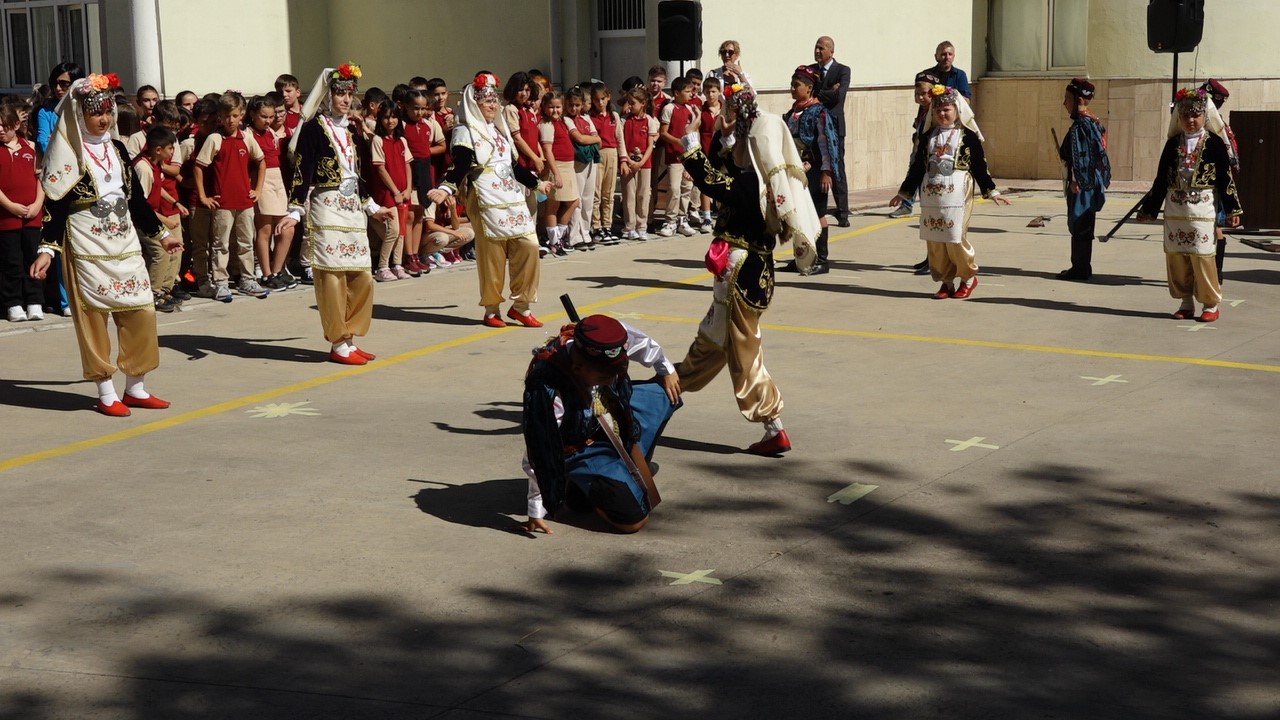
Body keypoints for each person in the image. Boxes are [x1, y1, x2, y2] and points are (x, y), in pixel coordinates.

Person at [675, 81, 821, 455]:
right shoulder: (759, 177)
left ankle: (773, 425)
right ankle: (668, 387)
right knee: (713, 339)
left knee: (743, 352)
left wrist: (688, 142)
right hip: (748, 272)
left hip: (741, 273)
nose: (732, 145)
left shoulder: (751, 184)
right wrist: (723, 136)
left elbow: (712, 181)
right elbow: (723, 163)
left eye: (739, 139)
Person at [30, 73, 181, 415]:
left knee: (142, 309)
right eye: (95, 112)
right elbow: (55, 204)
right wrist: (46, 249)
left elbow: (137, 200)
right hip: (85, 239)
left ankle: (136, 386)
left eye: (108, 111)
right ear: (78, 115)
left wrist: (161, 234)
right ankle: (106, 391)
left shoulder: (117, 149)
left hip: (124, 239)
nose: (103, 119)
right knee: (94, 317)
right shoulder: (67, 152)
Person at [277, 63, 395, 364]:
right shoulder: (315, 129)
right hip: (326, 207)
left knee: (362, 276)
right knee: (332, 276)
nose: (345, 99)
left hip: (353, 208)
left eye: (349, 93)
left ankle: (350, 336)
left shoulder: (355, 131)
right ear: (328, 96)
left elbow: (358, 175)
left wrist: (372, 207)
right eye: (339, 93)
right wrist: (294, 209)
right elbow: (302, 170)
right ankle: (338, 342)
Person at [522, 313, 681, 534]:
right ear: (578, 369)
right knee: (633, 521)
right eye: (603, 379)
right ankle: (578, 484)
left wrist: (667, 370)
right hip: (581, 447)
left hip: (614, 415)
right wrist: (536, 508)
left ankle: (624, 470)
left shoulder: (613, 342)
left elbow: (644, 344)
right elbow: (540, 450)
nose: (612, 380)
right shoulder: (548, 388)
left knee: (665, 394)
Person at [426, 72, 553, 328]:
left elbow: (513, 166)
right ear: (474, 104)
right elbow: (459, 165)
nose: (493, 105)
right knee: (492, 254)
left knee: (528, 246)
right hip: (485, 196)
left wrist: (536, 183)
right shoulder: (465, 131)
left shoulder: (499, 130)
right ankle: (492, 308)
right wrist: (447, 189)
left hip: (511, 196)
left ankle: (521, 305)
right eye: (486, 101)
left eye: (494, 100)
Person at [889, 85, 1009, 299]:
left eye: (947, 109)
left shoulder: (968, 136)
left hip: (958, 191)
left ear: (957, 110)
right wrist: (904, 193)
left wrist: (991, 191)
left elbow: (979, 166)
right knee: (935, 239)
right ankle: (946, 282)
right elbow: (917, 167)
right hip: (931, 193)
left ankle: (968, 277)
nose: (942, 114)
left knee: (955, 236)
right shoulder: (927, 137)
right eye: (938, 110)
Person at [1137, 87, 1242, 323]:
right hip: (1175, 210)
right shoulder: (1172, 144)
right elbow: (1161, 179)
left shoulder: (1214, 143)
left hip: (1202, 209)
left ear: (1205, 116)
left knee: (1202, 256)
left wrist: (1233, 209)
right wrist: (1149, 210)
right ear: (1179, 118)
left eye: (1195, 115)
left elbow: (1226, 178)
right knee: (1177, 256)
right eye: (1185, 116)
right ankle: (1185, 303)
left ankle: (1210, 303)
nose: (1190, 120)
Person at [194, 91, 269, 300]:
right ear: (220, 116)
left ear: (242, 114)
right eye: (226, 116)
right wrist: (203, 196)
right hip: (223, 202)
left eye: (235, 116)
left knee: (246, 242)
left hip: (245, 201)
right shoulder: (215, 139)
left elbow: (261, 162)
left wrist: (258, 189)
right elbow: (199, 167)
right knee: (221, 244)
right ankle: (220, 282)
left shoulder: (247, 138)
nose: (230, 120)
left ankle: (248, 279)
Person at [780, 65, 840, 276]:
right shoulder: (792, 113)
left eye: (796, 85)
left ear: (809, 88)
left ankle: (822, 260)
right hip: (796, 172)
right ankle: (801, 257)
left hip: (814, 172)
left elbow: (827, 145)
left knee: (818, 213)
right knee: (798, 213)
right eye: (792, 85)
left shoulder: (819, 113)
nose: (792, 89)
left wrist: (826, 172)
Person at [1057, 78, 1111, 282]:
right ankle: (1082, 266)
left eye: (1067, 99)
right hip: (1091, 180)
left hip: (1082, 182)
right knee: (1085, 223)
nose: (1064, 103)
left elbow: (1080, 156)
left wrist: (1076, 179)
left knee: (1080, 224)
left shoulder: (1081, 125)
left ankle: (1079, 268)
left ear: (1078, 99)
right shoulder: (1093, 122)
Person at [132, 126, 185, 313]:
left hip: (153, 218)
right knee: (159, 252)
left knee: (174, 249)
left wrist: (175, 202)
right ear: (158, 149)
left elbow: (158, 187)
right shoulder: (143, 168)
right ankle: (153, 293)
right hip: (143, 222)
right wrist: (166, 221)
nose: (172, 152)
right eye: (170, 148)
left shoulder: (155, 165)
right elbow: (141, 205)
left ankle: (164, 288)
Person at [0, 102, 44, 322]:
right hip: (6, 217)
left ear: (16, 125)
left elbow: (41, 179)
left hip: (32, 215)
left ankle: (35, 300)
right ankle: (13, 303)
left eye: (4, 125)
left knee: (33, 257)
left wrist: (37, 204)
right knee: (11, 260)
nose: (0, 130)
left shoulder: (31, 147)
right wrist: (10, 205)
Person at [1201, 79, 1239, 284]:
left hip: (1211, 183)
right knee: (1215, 225)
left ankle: (1216, 271)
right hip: (1211, 182)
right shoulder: (1218, 120)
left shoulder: (1212, 123)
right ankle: (1216, 272)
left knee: (1214, 225)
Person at [369, 101, 412, 282]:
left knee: (402, 230)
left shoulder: (401, 141)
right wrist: (394, 190)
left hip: (403, 192)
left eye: (394, 117)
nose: (390, 121)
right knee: (393, 229)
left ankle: (397, 264)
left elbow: (408, 165)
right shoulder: (378, 141)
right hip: (388, 193)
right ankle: (382, 266)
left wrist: (408, 188)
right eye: (386, 117)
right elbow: (381, 169)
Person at [811, 35, 851, 227]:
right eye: (816, 48)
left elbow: (838, 96)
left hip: (834, 127)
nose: (817, 51)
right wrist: (827, 92)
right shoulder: (811, 70)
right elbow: (807, 93)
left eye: (821, 48)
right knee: (817, 166)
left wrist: (819, 93)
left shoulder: (843, 70)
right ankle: (818, 209)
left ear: (831, 51)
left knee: (836, 168)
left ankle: (843, 213)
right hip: (814, 127)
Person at [656, 76, 698, 238]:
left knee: (686, 188)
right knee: (674, 188)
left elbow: (694, 131)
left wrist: (697, 117)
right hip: (674, 157)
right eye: (687, 91)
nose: (690, 94)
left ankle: (682, 218)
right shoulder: (669, 108)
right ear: (676, 93)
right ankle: (670, 220)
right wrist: (678, 142)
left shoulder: (690, 109)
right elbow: (663, 132)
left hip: (688, 156)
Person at [538, 89, 578, 257]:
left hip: (569, 166)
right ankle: (554, 241)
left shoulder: (564, 121)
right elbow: (548, 150)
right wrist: (556, 173)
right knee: (553, 205)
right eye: (551, 107)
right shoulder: (547, 125)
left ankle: (559, 237)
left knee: (574, 201)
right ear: (545, 108)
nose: (555, 111)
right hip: (559, 166)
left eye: (558, 107)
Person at [619, 86, 657, 241]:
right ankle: (630, 226)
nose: (630, 106)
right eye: (628, 102)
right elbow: (620, 141)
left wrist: (641, 161)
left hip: (644, 163)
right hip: (628, 163)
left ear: (643, 103)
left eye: (633, 103)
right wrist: (627, 159)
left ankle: (642, 225)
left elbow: (650, 145)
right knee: (629, 194)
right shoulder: (624, 120)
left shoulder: (650, 121)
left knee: (643, 194)